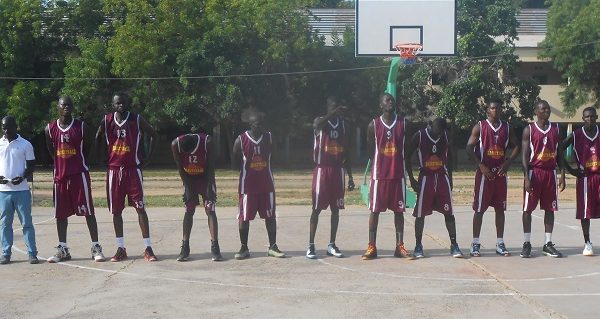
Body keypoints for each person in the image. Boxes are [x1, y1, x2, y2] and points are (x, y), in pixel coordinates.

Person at [95, 93, 158, 262]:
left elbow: (153, 134)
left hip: (132, 171)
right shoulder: (107, 120)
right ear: (113, 105)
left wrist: (148, 158)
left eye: (123, 102)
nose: (121, 105)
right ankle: (121, 248)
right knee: (116, 211)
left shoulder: (136, 119)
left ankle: (148, 247)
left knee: (140, 208)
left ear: (128, 103)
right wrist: (101, 159)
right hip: (114, 171)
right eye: (117, 103)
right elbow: (97, 137)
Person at [45, 96, 105, 263]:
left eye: (69, 105)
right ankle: (63, 248)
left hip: (79, 175)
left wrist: (79, 163)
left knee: (88, 212)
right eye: (63, 105)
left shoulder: (82, 127)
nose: (66, 108)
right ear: (58, 107)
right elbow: (52, 151)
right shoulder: (50, 128)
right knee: (60, 214)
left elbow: (88, 148)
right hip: (60, 177)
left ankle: (96, 247)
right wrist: (62, 163)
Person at [466, 100, 520, 257]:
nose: (495, 110)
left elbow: (517, 145)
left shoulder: (507, 127)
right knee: (479, 209)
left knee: (500, 209)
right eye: (492, 108)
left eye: (498, 108)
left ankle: (500, 243)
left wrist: (508, 162)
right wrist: (481, 165)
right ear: (487, 110)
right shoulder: (480, 126)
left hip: (500, 174)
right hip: (484, 174)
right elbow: (469, 147)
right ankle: (475, 243)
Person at [362, 93, 412, 260]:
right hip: (379, 176)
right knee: (374, 211)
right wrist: (379, 163)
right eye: (387, 100)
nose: (391, 102)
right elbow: (370, 150)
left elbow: (409, 148)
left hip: (397, 175)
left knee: (399, 212)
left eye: (392, 100)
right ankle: (371, 246)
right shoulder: (373, 125)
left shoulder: (403, 123)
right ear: (381, 105)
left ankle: (400, 246)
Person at [406, 118, 463, 258]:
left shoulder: (444, 135)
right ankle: (418, 245)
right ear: (430, 126)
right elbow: (406, 156)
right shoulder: (419, 136)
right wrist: (412, 179)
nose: (439, 134)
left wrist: (450, 178)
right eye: (437, 131)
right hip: (426, 178)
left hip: (442, 177)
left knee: (448, 212)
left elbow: (449, 158)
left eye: (441, 131)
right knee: (420, 214)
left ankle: (454, 245)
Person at [306, 97, 355, 259]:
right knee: (317, 209)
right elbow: (317, 125)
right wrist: (332, 113)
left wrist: (350, 176)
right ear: (328, 108)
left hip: (337, 171)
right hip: (322, 171)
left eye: (337, 108)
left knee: (336, 210)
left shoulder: (343, 125)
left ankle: (331, 244)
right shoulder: (320, 122)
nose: (336, 110)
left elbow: (346, 151)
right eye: (333, 107)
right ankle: (311, 246)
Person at [232, 111, 285, 259]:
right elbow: (235, 161)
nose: (260, 126)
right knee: (244, 217)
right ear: (250, 124)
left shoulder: (269, 138)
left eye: (262, 123)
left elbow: (274, 157)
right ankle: (244, 248)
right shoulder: (241, 140)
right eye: (257, 124)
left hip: (266, 184)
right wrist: (246, 172)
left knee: (270, 216)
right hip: (248, 186)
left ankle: (273, 247)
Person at [520, 100, 565, 258]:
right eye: (543, 109)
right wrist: (526, 176)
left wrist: (563, 173)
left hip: (550, 173)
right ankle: (526, 243)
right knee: (528, 209)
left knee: (550, 208)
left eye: (548, 108)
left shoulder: (557, 128)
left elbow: (559, 153)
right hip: (534, 172)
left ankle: (547, 243)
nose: (547, 111)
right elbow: (525, 155)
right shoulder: (529, 129)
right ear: (536, 111)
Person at [171, 132, 222, 261]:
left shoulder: (208, 142)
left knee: (210, 209)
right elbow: (180, 168)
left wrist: (210, 187)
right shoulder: (175, 145)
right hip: (189, 179)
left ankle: (215, 247)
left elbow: (211, 166)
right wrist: (188, 188)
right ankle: (185, 247)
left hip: (205, 178)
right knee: (189, 210)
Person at [560, 107, 600, 256]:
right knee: (585, 212)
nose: (590, 119)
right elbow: (559, 149)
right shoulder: (576, 135)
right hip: (584, 177)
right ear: (583, 119)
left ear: (596, 117)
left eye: (592, 117)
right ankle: (587, 243)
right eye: (587, 117)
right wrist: (570, 170)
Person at [0, 116, 38, 264]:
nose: (6, 130)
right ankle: (6, 253)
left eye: (8, 127)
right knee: (4, 223)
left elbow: (31, 166)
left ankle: (32, 253)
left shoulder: (25, 144)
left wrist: (22, 178)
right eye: (3, 127)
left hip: (21, 190)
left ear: (16, 127)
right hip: (3, 191)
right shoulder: (0, 144)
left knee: (26, 222)